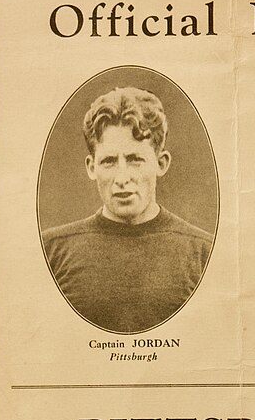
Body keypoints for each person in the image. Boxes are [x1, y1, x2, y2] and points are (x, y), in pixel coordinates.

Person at [43, 87, 213, 332]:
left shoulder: (202, 253)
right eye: (109, 161)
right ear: (92, 167)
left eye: (135, 160)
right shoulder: (53, 250)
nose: (122, 178)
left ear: (160, 163)